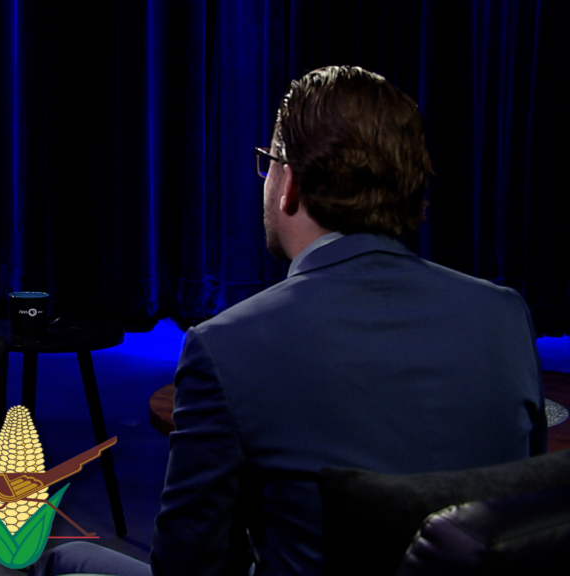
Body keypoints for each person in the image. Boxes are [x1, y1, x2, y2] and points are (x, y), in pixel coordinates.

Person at [31, 66, 546, 575]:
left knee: (62, 560)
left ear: (290, 182)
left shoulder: (227, 346)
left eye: (268, 162)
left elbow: (190, 566)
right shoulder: (504, 316)